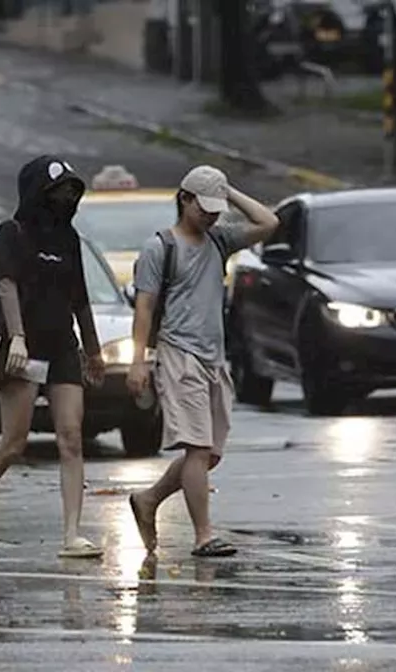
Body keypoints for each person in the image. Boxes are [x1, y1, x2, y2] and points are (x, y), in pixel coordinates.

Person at [0, 155, 107, 558]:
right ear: (40, 192)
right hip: (25, 347)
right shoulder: (13, 233)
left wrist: (93, 350)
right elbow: (5, 286)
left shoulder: (69, 238)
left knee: (71, 438)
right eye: (59, 190)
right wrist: (17, 338)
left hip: (62, 347)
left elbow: (81, 298)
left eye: (73, 191)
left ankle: (72, 534)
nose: (67, 198)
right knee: (14, 442)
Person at [126, 165, 280, 557]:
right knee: (196, 448)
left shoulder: (220, 240)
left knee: (209, 454)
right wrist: (138, 361)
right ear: (184, 199)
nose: (210, 215)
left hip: (214, 358)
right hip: (179, 354)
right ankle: (203, 535)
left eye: (216, 208)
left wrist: (228, 193)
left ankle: (148, 500)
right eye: (204, 206)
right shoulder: (160, 248)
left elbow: (268, 222)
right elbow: (144, 308)